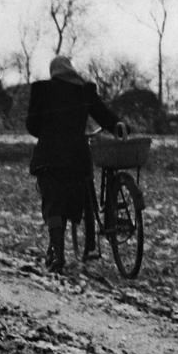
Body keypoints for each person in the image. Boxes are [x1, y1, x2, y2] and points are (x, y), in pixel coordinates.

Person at [26, 55, 126, 271]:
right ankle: (71, 249)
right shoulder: (84, 90)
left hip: (49, 156)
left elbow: (32, 126)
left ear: (53, 72)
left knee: (53, 204)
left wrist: (49, 128)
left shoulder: (42, 89)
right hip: (76, 157)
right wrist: (120, 126)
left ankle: (58, 254)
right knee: (69, 203)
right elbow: (103, 115)